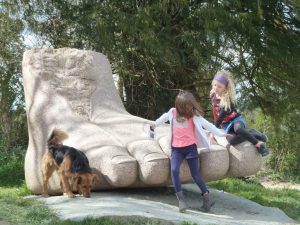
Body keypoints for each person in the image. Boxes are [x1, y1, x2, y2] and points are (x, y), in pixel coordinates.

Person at [150, 90, 229, 213]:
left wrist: (222, 134)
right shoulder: (172, 112)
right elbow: (162, 119)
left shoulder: (194, 116)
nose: (188, 108)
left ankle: (207, 198)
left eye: (190, 106)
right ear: (179, 105)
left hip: (191, 148)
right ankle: (181, 200)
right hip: (176, 149)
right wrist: (154, 125)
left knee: (195, 174)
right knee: (174, 170)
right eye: (186, 106)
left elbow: (208, 125)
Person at [209, 70, 269, 157]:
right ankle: (252, 133)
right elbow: (215, 114)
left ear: (225, 88)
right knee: (231, 141)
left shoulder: (228, 101)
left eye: (219, 86)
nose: (216, 88)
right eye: (214, 85)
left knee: (238, 130)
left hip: (236, 120)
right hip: (226, 125)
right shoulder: (213, 96)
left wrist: (212, 134)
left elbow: (219, 119)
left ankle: (260, 146)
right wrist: (214, 132)